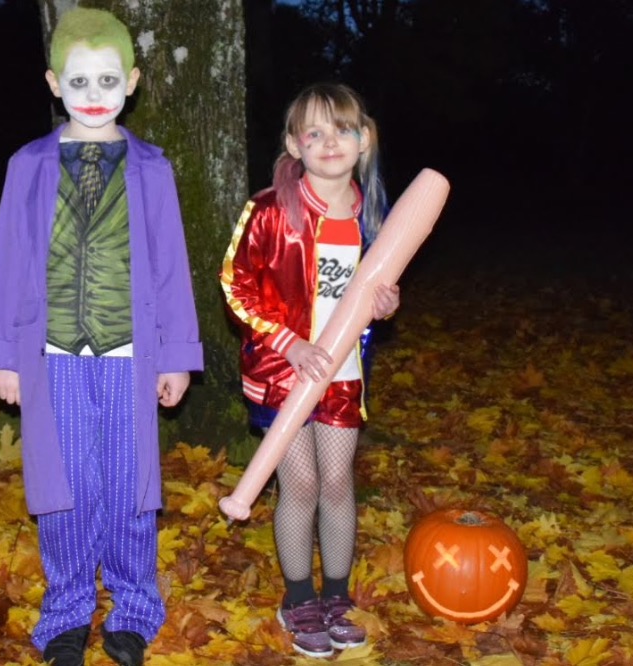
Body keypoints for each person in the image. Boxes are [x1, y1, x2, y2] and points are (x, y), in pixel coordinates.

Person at [0, 8, 202, 666]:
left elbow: (169, 268)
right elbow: (7, 262)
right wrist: (5, 357)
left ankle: (135, 607)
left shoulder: (151, 170)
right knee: (64, 489)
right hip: (51, 357)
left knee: (130, 484)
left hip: (130, 354)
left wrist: (177, 356)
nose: (94, 95)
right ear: (54, 84)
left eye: (108, 80)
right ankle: (68, 611)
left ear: (132, 82)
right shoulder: (27, 166)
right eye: (79, 82)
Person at [219, 83, 400, 659]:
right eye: (314, 132)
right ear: (294, 144)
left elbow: (370, 289)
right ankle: (298, 597)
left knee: (338, 483)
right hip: (284, 372)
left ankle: (337, 596)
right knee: (298, 483)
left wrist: (386, 303)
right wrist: (289, 343)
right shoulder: (272, 208)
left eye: (342, 129)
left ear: (364, 139)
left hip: (344, 373)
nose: (329, 142)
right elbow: (237, 284)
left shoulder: (373, 212)